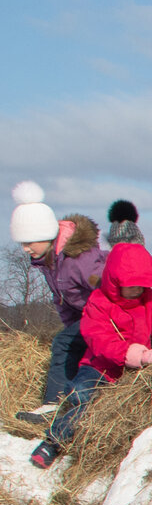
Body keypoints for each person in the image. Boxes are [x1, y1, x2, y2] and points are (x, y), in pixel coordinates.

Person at [30, 242, 152, 469]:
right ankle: (54, 440)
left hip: (131, 370)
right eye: (131, 286)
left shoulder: (147, 299)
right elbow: (99, 340)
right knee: (85, 399)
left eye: (142, 285)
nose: (137, 290)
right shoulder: (99, 303)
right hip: (99, 367)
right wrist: (134, 354)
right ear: (114, 281)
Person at [10, 181, 106, 425]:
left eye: (29, 241)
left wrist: (101, 324)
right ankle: (67, 398)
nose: (25, 249)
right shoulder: (51, 261)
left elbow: (108, 286)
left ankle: (53, 404)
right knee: (69, 339)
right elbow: (62, 299)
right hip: (88, 316)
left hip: (107, 314)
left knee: (63, 343)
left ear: (44, 235)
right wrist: (74, 326)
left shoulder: (77, 259)